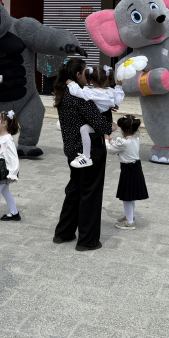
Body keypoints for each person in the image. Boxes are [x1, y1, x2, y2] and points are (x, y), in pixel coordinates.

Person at [52, 58, 115, 252]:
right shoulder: (82, 98)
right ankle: (87, 240)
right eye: (86, 72)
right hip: (90, 153)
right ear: (78, 75)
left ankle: (64, 232)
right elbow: (102, 126)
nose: (88, 76)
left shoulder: (63, 94)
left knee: (74, 189)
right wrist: (107, 118)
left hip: (72, 150)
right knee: (90, 193)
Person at [66, 66, 124, 168]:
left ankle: (86, 156)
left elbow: (76, 91)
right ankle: (87, 156)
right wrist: (119, 86)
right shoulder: (111, 92)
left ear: (91, 80)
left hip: (96, 121)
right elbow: (118, 100)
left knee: (84, 129)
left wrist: (70, 82)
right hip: (106, 119)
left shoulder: (91, 93)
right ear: (107, 79)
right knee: (84, 129)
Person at [108, 114, 149, 230]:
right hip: (136, 167)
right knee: (131, 196)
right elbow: (121, 150)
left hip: (128, 169)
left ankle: (130, 222)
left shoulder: (122, 142)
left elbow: (110, 150)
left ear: (122, 129)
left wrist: (107, 140)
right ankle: (129, 216)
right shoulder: (135, 139)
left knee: (127, 196)